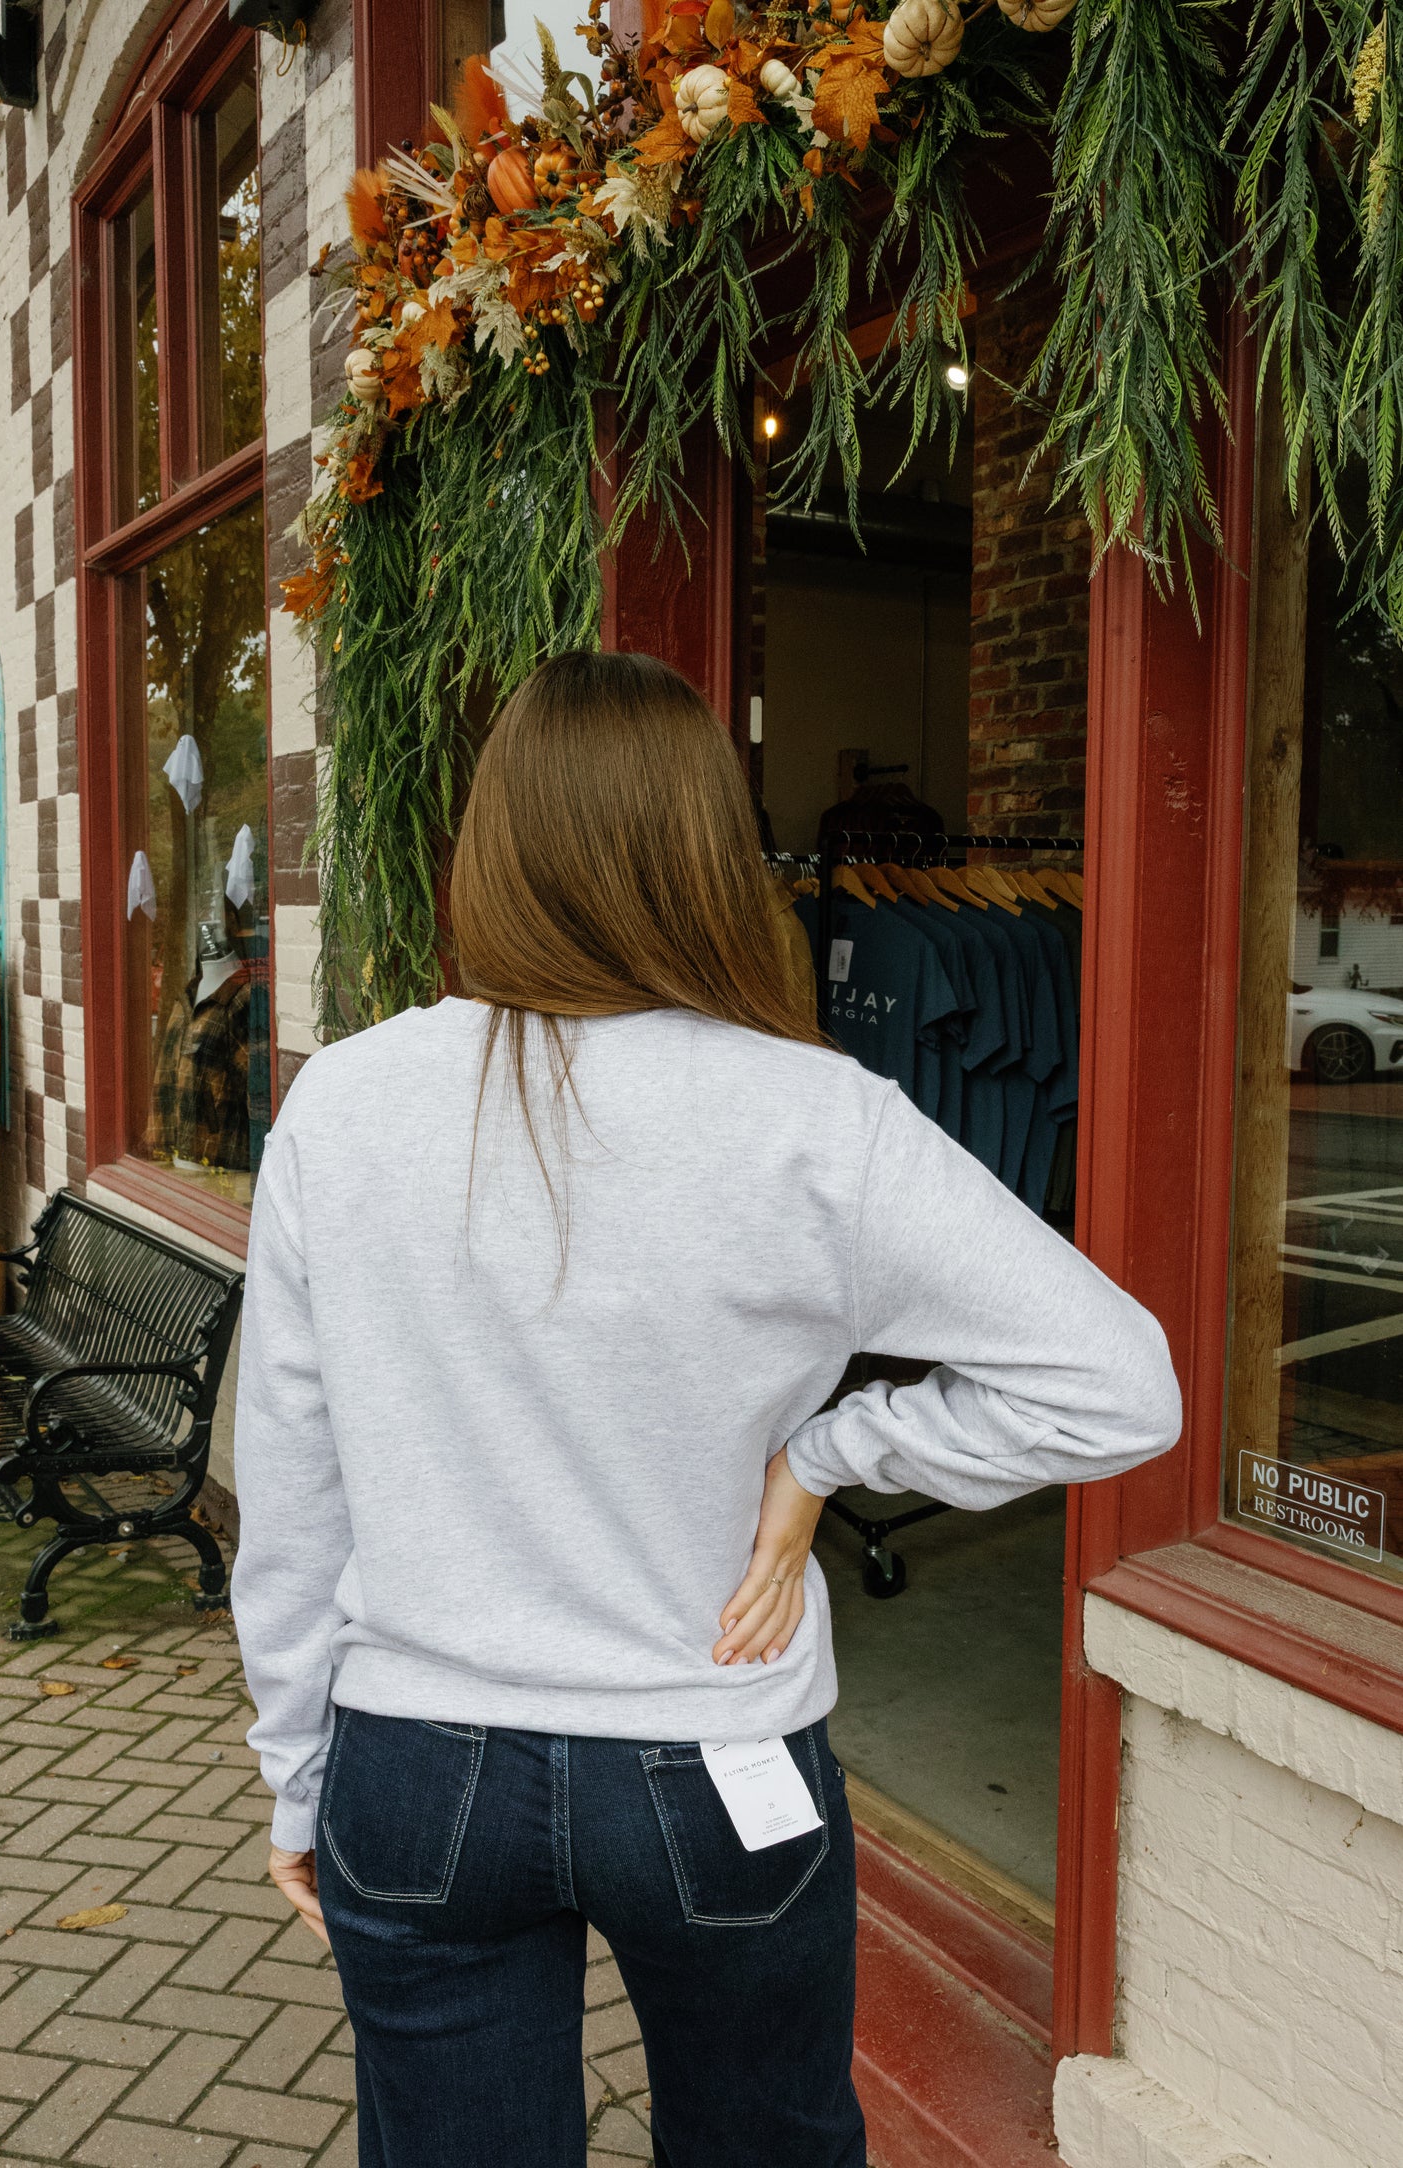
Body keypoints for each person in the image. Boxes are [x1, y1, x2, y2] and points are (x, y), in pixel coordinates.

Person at [231, 651, 1181, 2168]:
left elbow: (289, 1484)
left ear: (490, 850)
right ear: (705, 857)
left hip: (416, 1762)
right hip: (711, 1765)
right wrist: (826, 1454)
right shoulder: (814, 1117)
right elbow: (1118, 1388)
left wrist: (300, 1768)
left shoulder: (344, 1103)